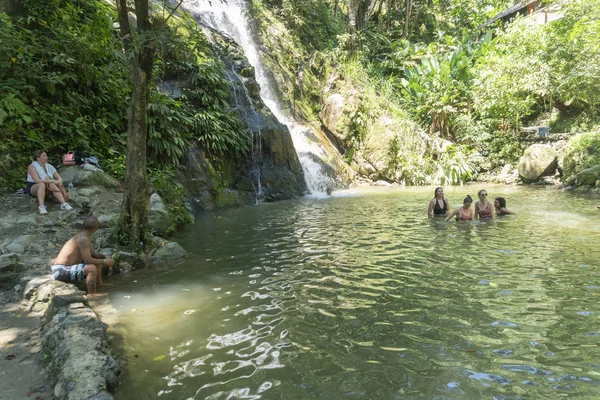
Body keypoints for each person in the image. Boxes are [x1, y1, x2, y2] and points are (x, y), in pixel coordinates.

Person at [50, 216, 115, 295]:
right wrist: (105, 261)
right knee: (91, 268)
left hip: (66, 268)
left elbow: (93, 254)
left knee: (97, 261)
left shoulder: (84, 236)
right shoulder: (83, 239)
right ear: (96, 227)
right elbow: (88, 260)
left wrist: (105, 257)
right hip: (60, 270)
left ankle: (99, 283)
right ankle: (92, 294)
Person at [25, 150, 73, 215]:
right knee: (42, 184)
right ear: (38, 158)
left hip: (47, 187)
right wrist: (52, 180)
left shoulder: (48, 166)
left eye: (46, 156)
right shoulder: (32, 166)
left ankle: (63, 203)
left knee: (51, 184)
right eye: (44, 156)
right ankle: (41, 206)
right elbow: (37, 181)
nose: (46, 157)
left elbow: (59, 177)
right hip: (34, 187)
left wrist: (59, 182)